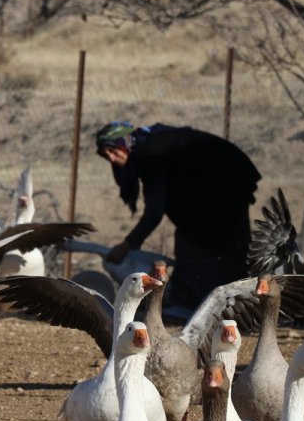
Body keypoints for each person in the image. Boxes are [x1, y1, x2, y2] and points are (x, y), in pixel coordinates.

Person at [96, 121, 261, 315]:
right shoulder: (149, 145)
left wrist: (128, 244)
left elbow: (154, 212)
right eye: (105, 155)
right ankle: (225, 308)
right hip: (224, 184)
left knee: (200, 245)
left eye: (113, 150)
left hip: (226, 184)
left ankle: (202, 308)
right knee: (212, 246)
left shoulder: (151, 154)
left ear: (125, 142)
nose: (111, 158)